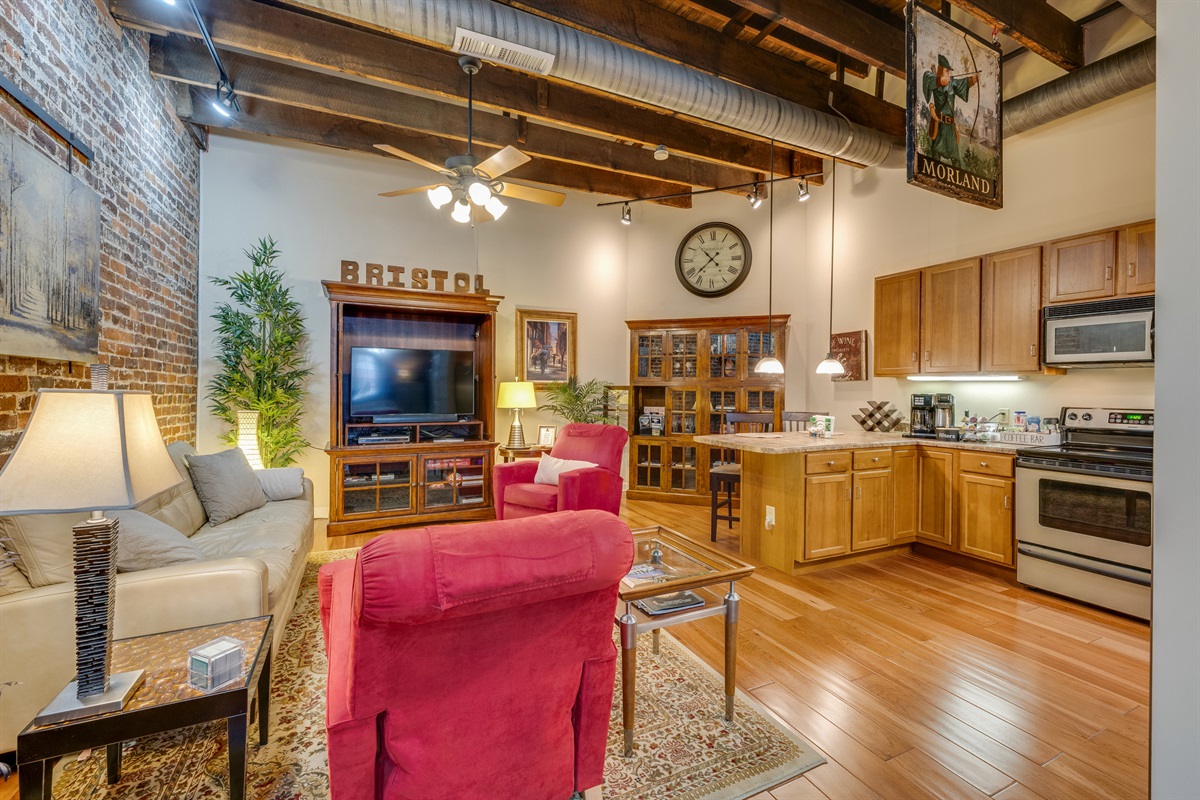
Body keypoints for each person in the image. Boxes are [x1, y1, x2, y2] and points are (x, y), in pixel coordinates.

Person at [922, 54, 977, 168]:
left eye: (949, 72)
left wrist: (973, 80)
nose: (949, 74)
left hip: (950, 127)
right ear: (941, 71)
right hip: (940, 124)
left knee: (956, 158)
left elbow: (963, 83)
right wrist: (940, 80)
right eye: (947, 71)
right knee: (936, 155)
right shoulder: (934, 80)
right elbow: (927, 77)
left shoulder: (952, 84)